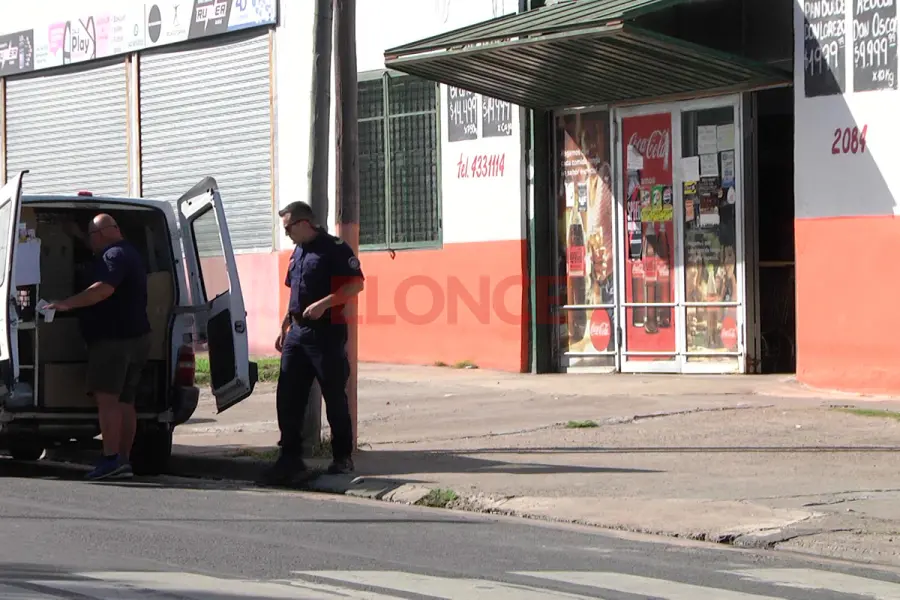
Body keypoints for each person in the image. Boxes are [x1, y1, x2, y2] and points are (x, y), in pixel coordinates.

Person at [263, 201, 365, 486]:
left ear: (304, 222)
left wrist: (325, 304)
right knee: (288, 396)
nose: (286, 235)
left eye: (288, 228)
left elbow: (356, 284)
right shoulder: (297, 251)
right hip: (297, 332)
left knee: (334, 396)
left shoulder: (334, 248)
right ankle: (289, 458)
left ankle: (341, 457)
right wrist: (285, 323)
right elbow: (295, 290)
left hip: (325, 333)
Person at [47, 214, 151, 481]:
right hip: (137, 338)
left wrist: (66, 304)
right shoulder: (128, 252)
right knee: (126, 401)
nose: (90, 242)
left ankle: (111, 458)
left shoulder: (113, 256)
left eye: (92, 236)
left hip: (113, 341)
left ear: (101, 234)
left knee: (108, 400)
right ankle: (123, 459)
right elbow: (98, 247)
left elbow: (102, 289)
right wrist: (78, 235)